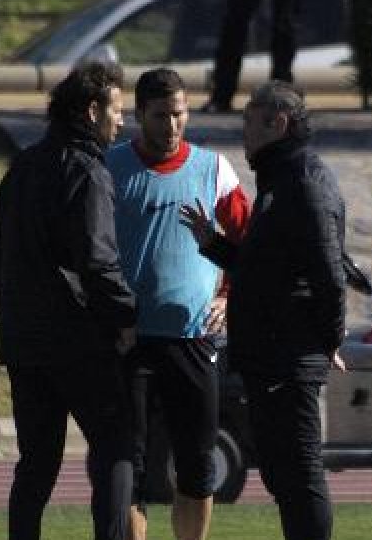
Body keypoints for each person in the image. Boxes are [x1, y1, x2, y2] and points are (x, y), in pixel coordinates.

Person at [181, 81, 346, 540]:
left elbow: (328, 274)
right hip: (270, 354)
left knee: (300, 470)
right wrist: (214, 245)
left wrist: (330, 338)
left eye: (250, 125)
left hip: (290, 357)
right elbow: (263, 269)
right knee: (280, 472)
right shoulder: (280, 181)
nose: (245, 137)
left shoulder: (304, 184)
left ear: (279, 123)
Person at [0, 61, 137, 540]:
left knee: (36, 464)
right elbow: (96, 259)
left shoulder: (23, 167)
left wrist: (13, 318)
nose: (122, 122)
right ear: (92, 111)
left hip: (25, 342)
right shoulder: (88, 171)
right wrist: (126, 317)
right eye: (117, 111)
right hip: (78, 340)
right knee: (115, 448)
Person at [105, 68, 250, 540]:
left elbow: (249, 247)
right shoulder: (109, 169)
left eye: (180, 114)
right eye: (161, 115)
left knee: (196, 465)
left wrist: (228, 296)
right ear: (139, 115)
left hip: (193, 340)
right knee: (131, 468)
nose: (172, 126)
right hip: (129, 340)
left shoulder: (214, 170)